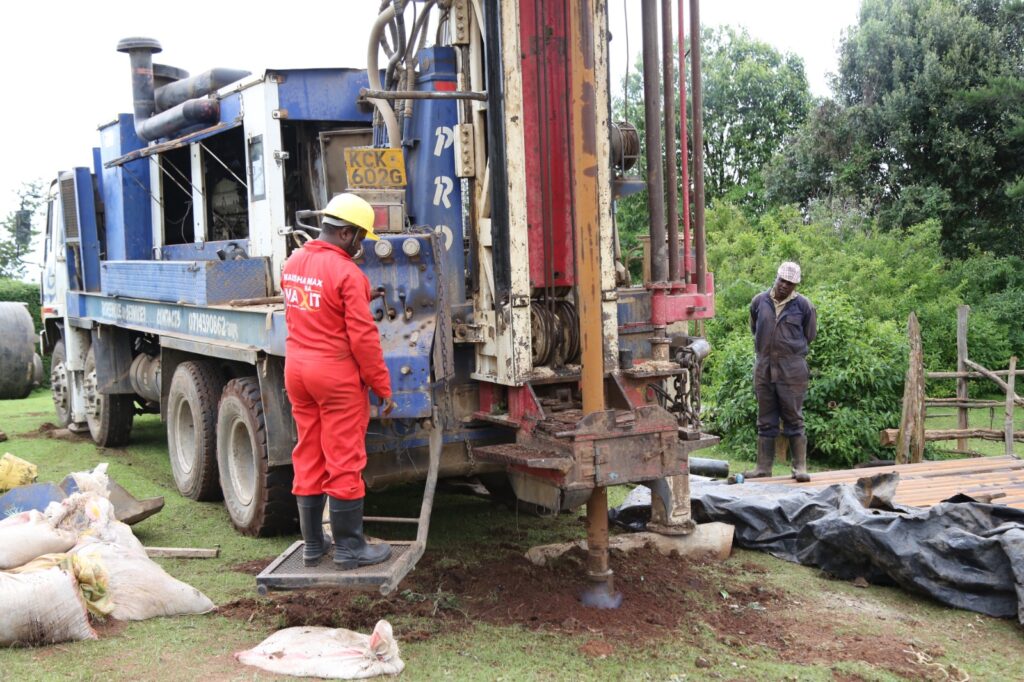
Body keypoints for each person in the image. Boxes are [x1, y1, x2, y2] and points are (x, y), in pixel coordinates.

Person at [282, 193, 396, 570]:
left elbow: (314, 306)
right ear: (346, 233)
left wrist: (363, 295)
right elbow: (364, 341)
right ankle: (350, 548)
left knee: (309, 451)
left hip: (297, 370)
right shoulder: (348, 273)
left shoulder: (294, 262)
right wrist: (382, 386)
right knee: (344, 455)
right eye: (361, 237)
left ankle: (314, 545)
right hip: (334, 376)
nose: (361, 244)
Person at [745, 261, 817, 482]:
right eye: (783, 281)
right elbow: (755, 328)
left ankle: (799, 468)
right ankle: (763, 468)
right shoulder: (759, 302)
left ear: (796, 285)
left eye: (791, 283)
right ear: (776, 278)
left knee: (794, 418)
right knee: (765, 419)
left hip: (792, 369)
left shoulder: (804, 306)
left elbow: (810, 334)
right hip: (764, 367)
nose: (785, 286)